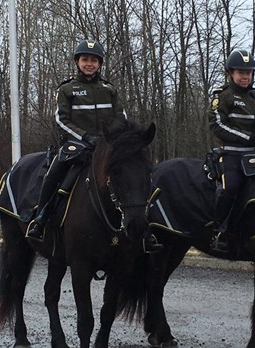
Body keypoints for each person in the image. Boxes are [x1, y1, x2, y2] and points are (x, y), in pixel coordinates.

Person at [26, 39, 163, 253]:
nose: (89, 64)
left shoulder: (109, 89)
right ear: (78, 62)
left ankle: (146, 230)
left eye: (93, 60)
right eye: (85, 60)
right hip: (76, 144)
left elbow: (121, 117)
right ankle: (41, 219)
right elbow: (62, 120)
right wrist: (85, 137)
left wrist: (111, 138)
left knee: (137, 179)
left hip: (107, 145)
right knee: (54, 173)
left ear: (99, 64)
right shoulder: (67, 89)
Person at [207, 49, 255, 253]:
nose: (245, 76)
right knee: (232, 188)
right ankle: (219, 230)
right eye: (241, 72)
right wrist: (249, 138)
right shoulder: (223, 96)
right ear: (231, 73)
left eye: (249, 72)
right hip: (233, 154)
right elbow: (217, 125)